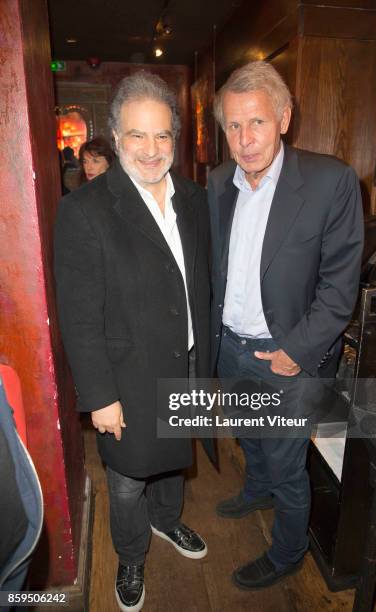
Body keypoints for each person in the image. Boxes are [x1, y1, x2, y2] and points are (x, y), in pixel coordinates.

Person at [54, 71, 213, 612]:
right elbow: (78, 317)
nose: (151, 149)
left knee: (174, 459)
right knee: (125, 479)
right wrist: (99, 395)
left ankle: (168, 523)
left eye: (163, 135)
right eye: (137, 136)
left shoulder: (193, 198)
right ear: (116, 138)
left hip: (186, 362)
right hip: (126, 374)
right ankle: (130, 554)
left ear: (175, 139)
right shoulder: (84, 210)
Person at [208, 60, 364, 590]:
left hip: (286, 356)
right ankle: (255, 491)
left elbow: (339, 289)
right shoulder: (216, 185)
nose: (245, 138)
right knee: (250, 437)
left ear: (284, 118)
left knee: (288, 462)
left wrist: (296, 350)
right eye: (233, 125)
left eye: (256, 122)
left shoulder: (331, 181)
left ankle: (288, 553)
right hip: (230, 347)